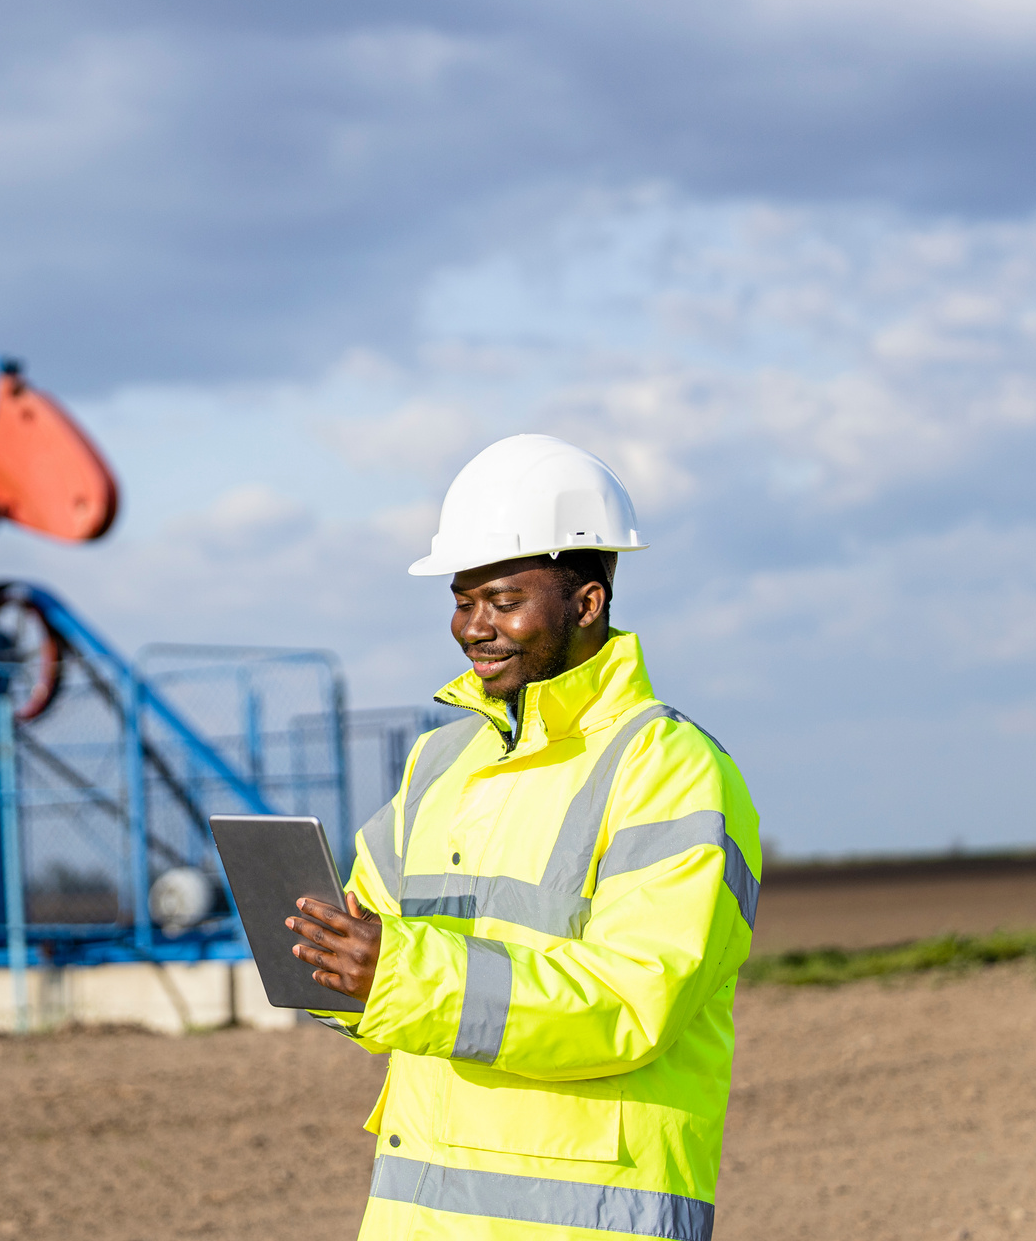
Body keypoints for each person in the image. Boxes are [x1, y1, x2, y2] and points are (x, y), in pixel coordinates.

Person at [287, 434, 761, 1241]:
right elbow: (371, 959)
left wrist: (395, 973)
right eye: (462, 601)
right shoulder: (440, 763)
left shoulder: (669, 767)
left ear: (587, 603)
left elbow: (631, 1001)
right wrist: (321, 960)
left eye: (502, 601)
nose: (474, 628)